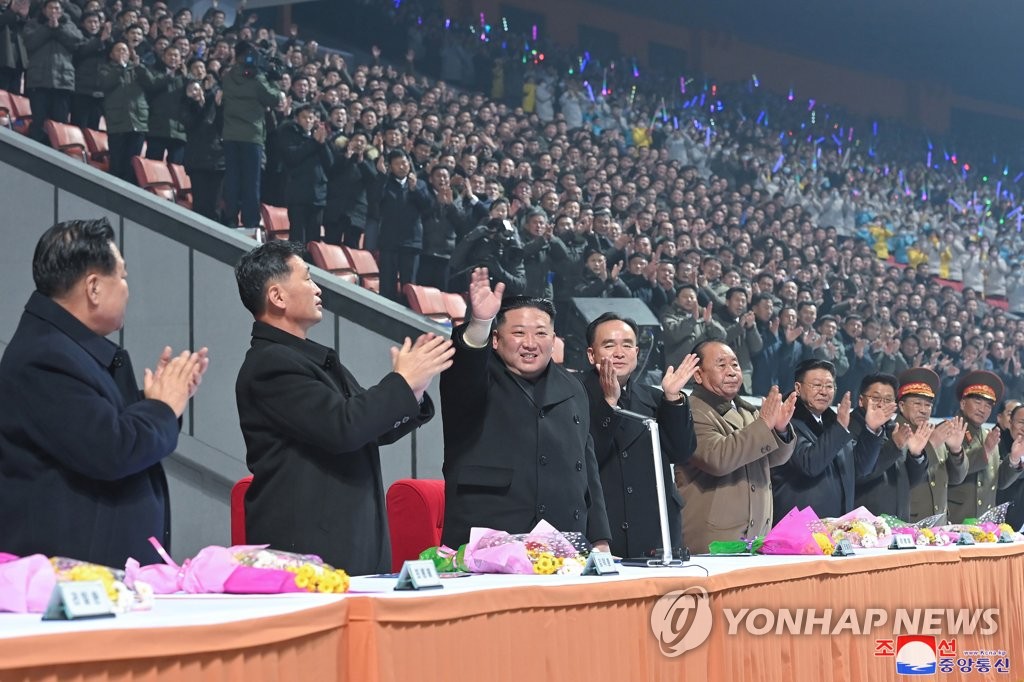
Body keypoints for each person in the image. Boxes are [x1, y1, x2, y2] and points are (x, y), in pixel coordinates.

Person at [234, 241, 453, 575]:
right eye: (307, 278)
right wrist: (401, 382)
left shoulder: (310, 359)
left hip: (348, 541)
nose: (317, 288)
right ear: (277, 297)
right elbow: (344, 427)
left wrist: (414, 389)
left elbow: (366, 425)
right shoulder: (271, 365)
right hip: (309, 552)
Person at [0, 218, 208, 567]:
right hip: (72, 588)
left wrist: (160, 400)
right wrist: (159, 408)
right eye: (123, 277)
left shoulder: (64, 349)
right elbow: (112, 450)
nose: (128, 288)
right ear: (94, 287)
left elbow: (97, 427)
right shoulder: (45, 358)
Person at [439, 267, 611, 551]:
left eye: (541, 333)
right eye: (518, 333)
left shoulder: (573, 387)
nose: (530, 344)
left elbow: (587, 467)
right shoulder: (475, 376)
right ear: (495, 339)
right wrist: (480, 322)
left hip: (564, 543)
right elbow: (466, 365)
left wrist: (600, 537)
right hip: (489, 542)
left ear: (554, 339)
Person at [582, 312, 698, 558]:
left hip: (654, 532)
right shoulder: (573, 395)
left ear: (637, 352)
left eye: (627, 345)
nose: (619, 352)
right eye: (609, 345)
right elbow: (586, 455)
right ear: (592, 354)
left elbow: (682, 452)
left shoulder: (657, 398)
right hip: (600, 532)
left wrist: (673, 399)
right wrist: (608, 405)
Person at [675, 340, 798, 553]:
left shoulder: (748, 411)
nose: (731, 372)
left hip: (756, 535)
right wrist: (763, 425)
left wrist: (780, 430)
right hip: (715, 540)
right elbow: (717, 459)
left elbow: (772, 460)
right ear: (698, 375)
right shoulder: (691, 411)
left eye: (735, 365)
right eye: (721, 365)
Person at [771, 359, 890, 523]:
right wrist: (840, 428)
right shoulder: (785, 422)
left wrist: (871, 430)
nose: (824, 392)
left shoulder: (832, 423)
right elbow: (809, 464)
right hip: (797, 528)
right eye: (817, 385)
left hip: (836, 528)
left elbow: (861, 468)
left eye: (829, 386)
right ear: (798, 388)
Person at [221, 40, 283, 229]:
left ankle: (230, 217)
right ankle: (250, 222)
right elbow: (273, 98)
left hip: (230, 135)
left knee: (232, 178)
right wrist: (272, 78)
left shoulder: (228, 76)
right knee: (251, 181)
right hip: (251, 137)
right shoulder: (257, 78)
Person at [946, 370, 1023, 523]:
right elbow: (952, 474)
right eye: (977, 402)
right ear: (962, 403)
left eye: (988, 405)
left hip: (985, 521)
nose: (983, 409)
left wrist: (1013, 460)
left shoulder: (988, 434)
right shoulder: (948, 430)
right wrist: (985, 450)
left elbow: (999, 481)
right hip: (955, 519)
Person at [854, 373, 932, 520]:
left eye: (888, 399)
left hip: (898, 522)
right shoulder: (851, 427)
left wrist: (916, 455)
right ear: (860, 400)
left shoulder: (894, 428)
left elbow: (911, 482)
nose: (882, 404)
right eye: (876, 398)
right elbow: (860, 474)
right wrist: (894, 446)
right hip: (864, 524)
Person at [900, 368, 969, 523]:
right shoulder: (895, 431)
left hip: (939, 523)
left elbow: (956, 479)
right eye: (917, 403)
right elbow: (901, 477)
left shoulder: (935, 432)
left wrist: (956, 450)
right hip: (908, 524)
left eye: (928, 405)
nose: (924, 410)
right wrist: (931, 445)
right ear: (902, 405)